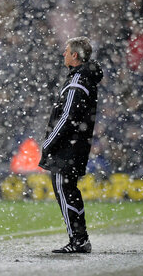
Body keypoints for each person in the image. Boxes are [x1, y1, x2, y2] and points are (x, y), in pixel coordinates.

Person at [39, 37, 103, 253]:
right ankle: (80, 238)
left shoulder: (77, 81)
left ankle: (78, 240)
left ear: (75, 55)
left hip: (67, 149)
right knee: (69, 190)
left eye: (66, 52)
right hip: (76, 146)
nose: (63, 55)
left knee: (64, 190)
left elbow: (67, 117)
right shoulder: (85, 78)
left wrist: (49, 143)